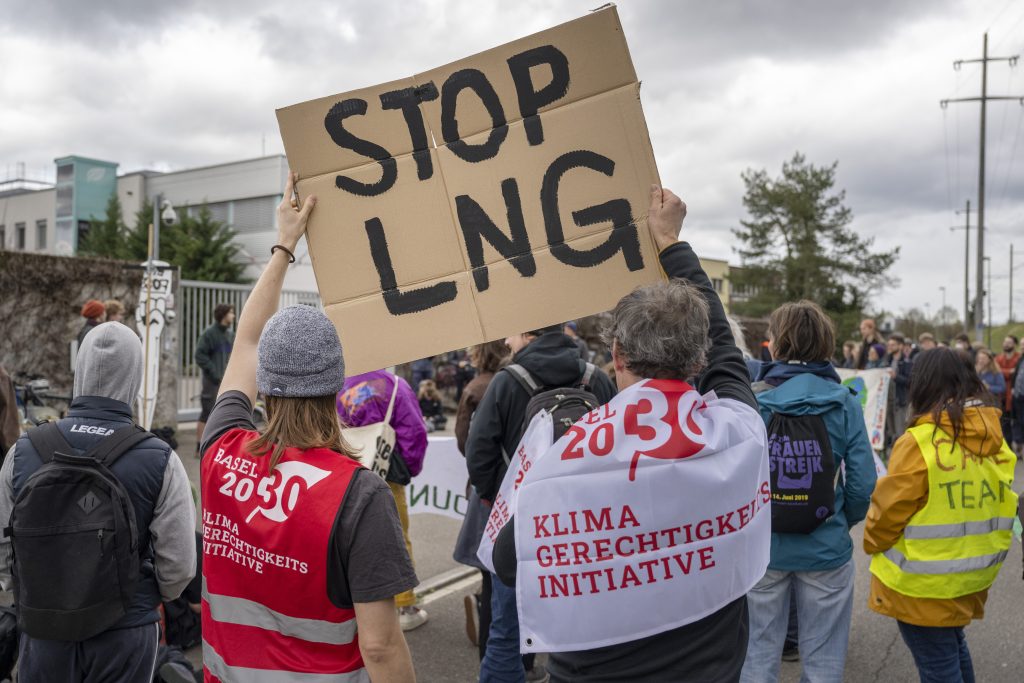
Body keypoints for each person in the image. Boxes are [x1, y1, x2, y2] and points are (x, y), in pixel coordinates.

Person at [490, 186, 770, 682]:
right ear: (700, 361)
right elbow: (725, 346)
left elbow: (511, 561)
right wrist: (669, 243)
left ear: (616, 356)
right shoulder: (736, 430)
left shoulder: (571, 454)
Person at [199, 173, 416, 681]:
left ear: (266, 386)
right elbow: (381, 648)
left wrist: (284, 244)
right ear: (335, 385)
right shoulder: (358, 494)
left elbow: (246, 342)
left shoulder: (219, 450)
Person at [0, 321, 196, 681]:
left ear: (81, 369)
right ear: (136, 377)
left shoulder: (23, 451)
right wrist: (144, 596)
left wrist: (31, 594)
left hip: (43, 629)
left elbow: (3, 550)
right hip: (125, 633)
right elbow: (180, 567)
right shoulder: (161, 459)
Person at [467, 322, 616, 681]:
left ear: (529, 335)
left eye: (512, 332)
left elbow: (479, 451)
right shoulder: (596, 378)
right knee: (584, 627)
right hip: (585, 524)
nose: (505, 339)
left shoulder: (507, 380)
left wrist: (497, 497)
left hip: (518, 527)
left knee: (506, 630)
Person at [740, 302, 877, 683]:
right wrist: (837, 521)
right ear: (826, 345)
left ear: (776, 345)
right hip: (825, 547)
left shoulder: (751, 399)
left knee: (757, 656)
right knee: (823, 660)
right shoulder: (846, 401)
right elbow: (864, 482)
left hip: (764, 549)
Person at [863, 348, 1017, 683]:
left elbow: (887, 513)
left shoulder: (918, 441)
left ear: (923, 385)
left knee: (939, 666)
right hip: (971, 576)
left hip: (923, 584)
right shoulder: (992, 437)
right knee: (953, 649)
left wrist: (872, 542)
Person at [337, 368, 429, 631]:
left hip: (347, 472)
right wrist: (409, 468)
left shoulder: (338, 386)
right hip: (386, 472)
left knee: (350, 538)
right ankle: (404, 605)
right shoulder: (396, 385)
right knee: (396, 535)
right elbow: (414, 431)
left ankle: (355, 605)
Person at [452, 341, 510, 655]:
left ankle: (488, 635)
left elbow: (465, 442)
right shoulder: (517, 380)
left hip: (485, 486)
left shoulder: (475, 387)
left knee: (487, 566)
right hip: (517, 484)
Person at [194, 303, 235, 454]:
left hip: (226, 382)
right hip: (211, 382)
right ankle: (200, 447)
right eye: (231, 313)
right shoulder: (209, 334)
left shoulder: (230, 334)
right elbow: (199, 356)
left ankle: (217, 447)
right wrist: (215, 372)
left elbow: (233, 355)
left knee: (223, 414)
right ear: (223, 315)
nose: (233, 316)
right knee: (207, 413)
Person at [885, 333, 913, 437]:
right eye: (889, 345)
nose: (890, 347)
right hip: (888, 402)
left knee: (900, 433)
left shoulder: (907, 362)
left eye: (893, 345)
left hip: (900, 403)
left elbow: (910, 381)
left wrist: (896, 377)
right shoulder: (887, 360)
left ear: (900, 346)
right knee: (891, 433)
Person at [995, 335, 1020, 442]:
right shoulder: (998, 358)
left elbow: (1017, 373)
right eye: (1005, 342)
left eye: (1009, 342)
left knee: (1015, 422)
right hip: (1001, 395)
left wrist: (1003, 371)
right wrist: (1009, 372)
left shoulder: (1018, 358)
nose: (1006, 344)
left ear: (1014, 344)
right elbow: (996, 371)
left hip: (1014, 395)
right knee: (1003, 423)